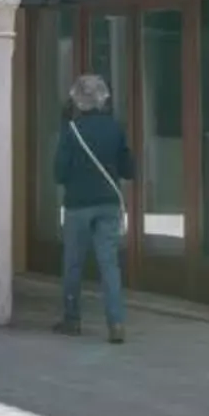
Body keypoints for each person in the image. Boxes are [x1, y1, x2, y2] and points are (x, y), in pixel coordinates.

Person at [53, 71, 135, 343]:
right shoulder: (115, 128)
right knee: (109, 264)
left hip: (77, 205)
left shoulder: (71, 130)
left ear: (77, 100)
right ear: (103, 99)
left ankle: (72, 318)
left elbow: (59, 174)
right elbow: (128, 169)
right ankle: (116, 323)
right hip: (109, 204)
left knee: (73, 263)